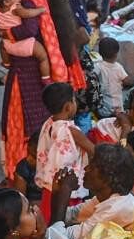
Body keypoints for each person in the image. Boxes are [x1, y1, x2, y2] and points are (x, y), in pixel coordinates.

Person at [0, 0, 84, 179]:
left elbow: (27, 31)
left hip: (28, 78)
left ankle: (24, 178)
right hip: (37, 75)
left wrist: (4, 31)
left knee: (28, 131)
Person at [55, 144, 134, 239]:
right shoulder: (105, 198)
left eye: (92, 167)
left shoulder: (114, 208)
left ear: (108, 178)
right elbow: (70, 215)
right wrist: (57, 191)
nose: (86, 169)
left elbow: (60, 238)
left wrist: (65, 191)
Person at [36, 82, 94, 210]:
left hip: (50, 185)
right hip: (68, 191)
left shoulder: (48, 124)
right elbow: (94, 150)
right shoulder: (71, 131)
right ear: (68, 107)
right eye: (74, 100)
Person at [0, 0, 52, 80]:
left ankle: (6, 63)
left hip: (9, 45)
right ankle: (46, 78)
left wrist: (0, 28)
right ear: (7, 2)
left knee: (2, 45)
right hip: (24, 43)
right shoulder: (15, 8)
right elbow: (27, 13)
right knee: (43, 57)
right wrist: (40, 10)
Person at [96, 37, 134, 114]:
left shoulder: (97, 66)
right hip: (117, 106)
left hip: (104, 106)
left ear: (100, 53)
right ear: (116, 54)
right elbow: (127, 81)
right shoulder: (118, 67)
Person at [12, 132, 43, 204]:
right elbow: (21, 201)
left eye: (34, 157)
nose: (29, 159)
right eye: (28, 152)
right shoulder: (24, 168)